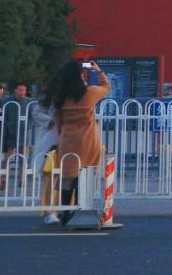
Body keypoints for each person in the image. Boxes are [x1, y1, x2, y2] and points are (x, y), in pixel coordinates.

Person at [53, 60, 111, 225]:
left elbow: (59, 123)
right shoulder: (90, 93)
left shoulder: (61, 97)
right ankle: (81, 209)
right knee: (84, 175)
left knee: (68, 177)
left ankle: (65, 212)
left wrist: (61, 138)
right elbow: (107, 86)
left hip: (68, 139)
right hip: (87, 139)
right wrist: (98, 71)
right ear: (80, 75)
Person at [29, 76, 60, 224]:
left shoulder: (72, 95)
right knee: (49, 176)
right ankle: (49, 211)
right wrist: (51, 121)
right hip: (51, 140)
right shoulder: (47, 99)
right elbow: (36, 113)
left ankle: (62, 209)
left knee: (65, 178)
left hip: (68, 139)